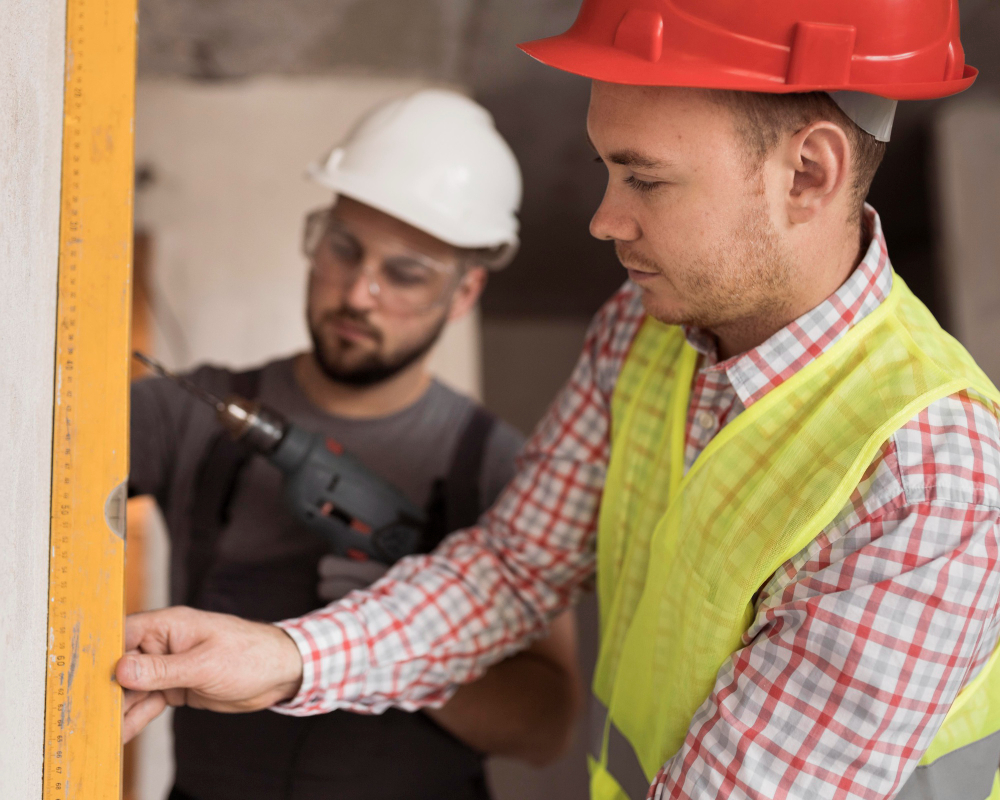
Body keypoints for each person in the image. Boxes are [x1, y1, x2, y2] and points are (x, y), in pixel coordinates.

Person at [120, 2, 1000, 798]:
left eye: (645, 179)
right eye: (607, 171)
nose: (604, 219)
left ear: (808, 172)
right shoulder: (642, 329)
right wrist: (282, 656)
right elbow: (513, 568)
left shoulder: (928, 476)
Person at [126, 89, 581, 800]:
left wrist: (405, 638)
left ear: (463, 295)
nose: (360, 293)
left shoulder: (498, 467)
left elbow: (548, 724)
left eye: (405, 274)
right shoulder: (196, 415)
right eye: (344, 248)